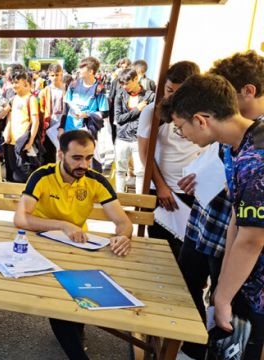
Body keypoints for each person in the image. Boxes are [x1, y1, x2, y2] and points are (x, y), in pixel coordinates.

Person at [160, 73, 264, 360]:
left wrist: (222, 296)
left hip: (257, 286)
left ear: (202, 120)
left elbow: (253, 239)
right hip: (243, 275)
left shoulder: (256, 159)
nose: (185, 136)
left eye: (181, 128)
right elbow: (236, 217)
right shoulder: (235, 146)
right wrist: (223, 288)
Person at [14, 130, 132, 360]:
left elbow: (123, 222)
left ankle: (76, 333)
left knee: (71, 299)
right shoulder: (42, 175)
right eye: (77, 158)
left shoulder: (95, 180)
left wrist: (123, 236)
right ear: (60, 154)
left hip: (78, 248)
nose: (84, 164)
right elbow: (21, 219)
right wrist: (63, 225)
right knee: (61, 303)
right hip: (41, 246)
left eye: (89, 157)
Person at [136, 61, 201, 258]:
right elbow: (144, 152)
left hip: (193, 190)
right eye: (169, 90)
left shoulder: (203, 114)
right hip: (160, 189)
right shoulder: (152, 112)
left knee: (188, 253)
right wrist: (161, 186)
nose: (172, 97)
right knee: (160, 249)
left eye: (179, 92)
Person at [113, 68, 155, 194]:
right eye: (122, 84)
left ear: (136, 79)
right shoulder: (120, 94)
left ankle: (139, 203)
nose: (124, 86)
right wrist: (137, 109)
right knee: (120, 171)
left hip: (139, 139)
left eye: (127, 83)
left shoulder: (149, 96)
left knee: (140, 172)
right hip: (122, 138)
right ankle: (119, 201)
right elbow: (118, 119)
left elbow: (150, 119)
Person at [3, 71, 39, 183]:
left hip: (22, 142)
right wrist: (6, 132)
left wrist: (30, 141)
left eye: (17, 82)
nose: (14, 85)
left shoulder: (31, 99)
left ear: (25, 83)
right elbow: (9, 116)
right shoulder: (14, 98)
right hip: (10, 142)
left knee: (22, 174)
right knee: (11, 172)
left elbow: (35, 121)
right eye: (13, 82)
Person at [38, 63, 65, 164]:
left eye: (57, 75)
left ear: (61, 74)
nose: (55, 77)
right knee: (49, 154)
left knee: (64, 153)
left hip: (63, 124)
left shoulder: (66, 89)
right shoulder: (45, 91)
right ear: (49, 75)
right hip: (49, 126)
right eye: (52, 75)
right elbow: (41, 109)